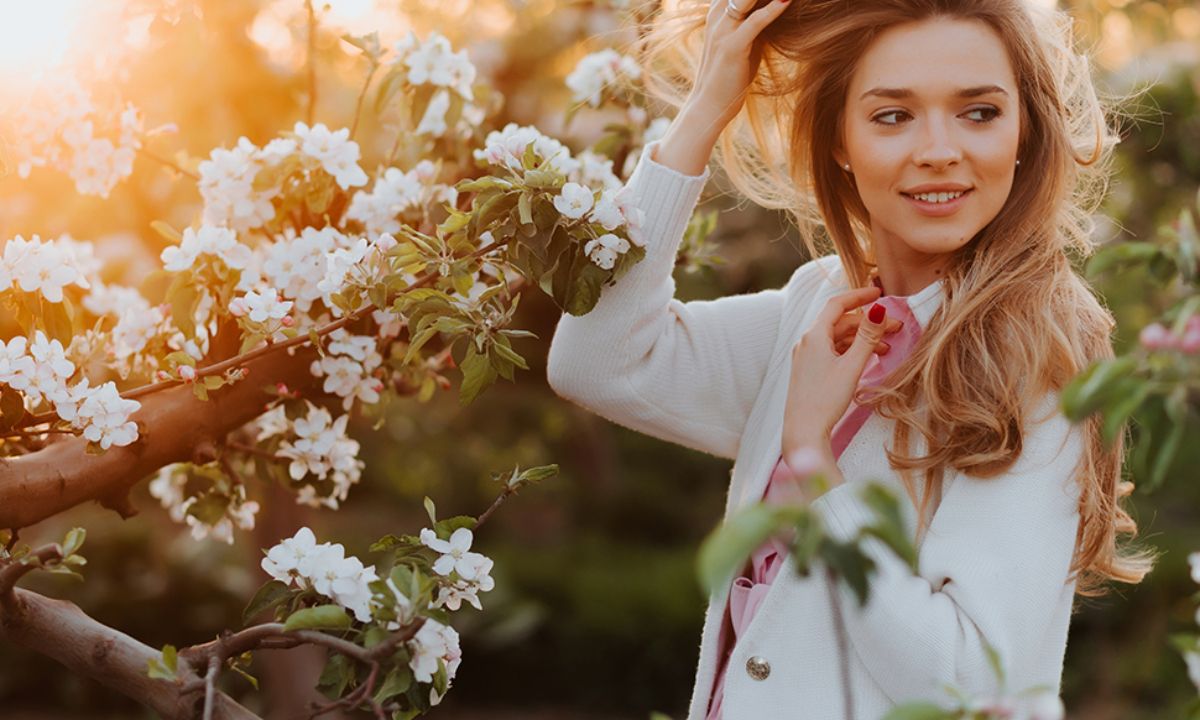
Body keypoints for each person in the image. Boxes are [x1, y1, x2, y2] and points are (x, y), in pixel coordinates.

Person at [545, 1, 1154, 718]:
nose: (938, 150)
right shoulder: (817, 309)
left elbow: (971, 683)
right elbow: (597, 363)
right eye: (892, 116)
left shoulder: (1043, 362)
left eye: (979, 112)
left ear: (1025, 130)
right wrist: (705, 110)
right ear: (838, 140)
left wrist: (814, 464)